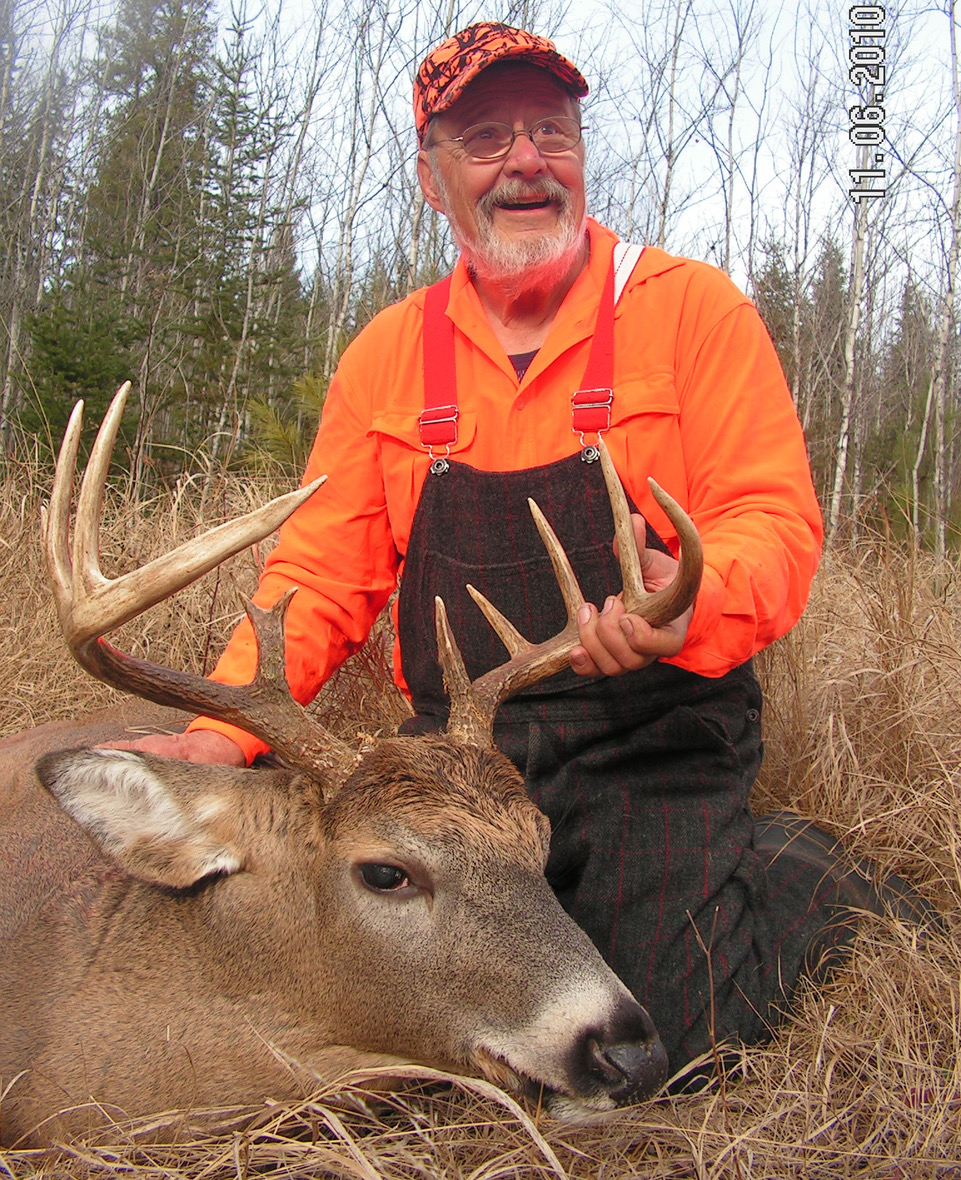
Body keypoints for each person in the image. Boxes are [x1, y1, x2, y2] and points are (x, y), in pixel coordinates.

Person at [122, 23, 923, 1078]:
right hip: (460, 755)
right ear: (431, 176)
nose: (527, 162)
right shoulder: (388, 355)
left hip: (654, 730)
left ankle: (795, 875)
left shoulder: (690, 312)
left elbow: (774, 523)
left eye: (551, 131)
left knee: (658, 1035)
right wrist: (224, 731)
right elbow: (318, 574)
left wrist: (690, 603)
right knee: (405, 998)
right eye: (487, 138)